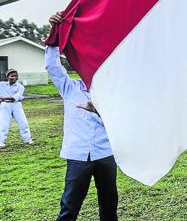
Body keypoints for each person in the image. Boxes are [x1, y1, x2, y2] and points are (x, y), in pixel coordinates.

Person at [48, 12, 118, 221]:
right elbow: (53, 66)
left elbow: (120, 118)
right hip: (78, 154)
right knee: (70, 205)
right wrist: (54, 35)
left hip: (105, 153)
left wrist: (96, 109)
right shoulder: (70, 88)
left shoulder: (108, 90)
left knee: (109, 203)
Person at [0, 69, 34, 148]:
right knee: (3, 124)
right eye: (12, 76)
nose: (14, 77)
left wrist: (3, 98)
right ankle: (1, 142)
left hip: (16, 105)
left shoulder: (20, 87)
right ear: (7, 77)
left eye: (16, 76)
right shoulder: (1, 84)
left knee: (23, 122)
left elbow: (15, 98)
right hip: (5, 106)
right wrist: (4, 99)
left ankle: (27, 140)